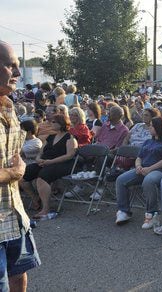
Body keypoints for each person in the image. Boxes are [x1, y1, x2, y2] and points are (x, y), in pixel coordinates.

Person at [0, 41, 40, 291]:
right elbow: (15, 167)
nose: (18, 73)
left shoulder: (9, 108)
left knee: (19, 275)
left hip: (14, 215)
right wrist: (15, 172)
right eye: (10, 66)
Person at [115, 117, 162, 228]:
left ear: (159, 128)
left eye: (152, 125)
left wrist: (150, 169)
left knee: (149, 181)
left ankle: (152, 214)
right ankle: (124, 211)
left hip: (161, 171)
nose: (149, 127)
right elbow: (139, 157)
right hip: (143, 169)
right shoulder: (148, 141)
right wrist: (138, 166)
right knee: (121, 180)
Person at [19, 114, 78, 218]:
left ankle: (45, 209)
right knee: (22, 176)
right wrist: (38, 159)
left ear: (62, 123)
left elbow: (69, 155)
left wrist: (50, 162)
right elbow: (40, 152)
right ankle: (35, 198)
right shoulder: (50, 137)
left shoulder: (70, 138)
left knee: (42, 176)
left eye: (54, 122)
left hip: (62, 164)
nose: (51, 123)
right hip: (44, 162)